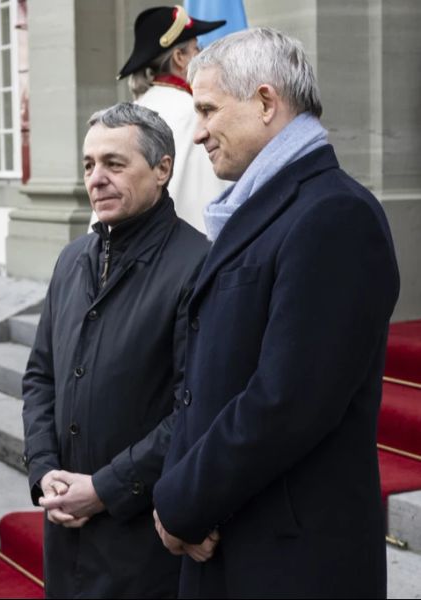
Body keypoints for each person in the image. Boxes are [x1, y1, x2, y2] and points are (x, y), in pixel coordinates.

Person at [151, 28, 400, 598]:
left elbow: (286, 402)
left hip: (290, 561)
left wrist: (181, 501)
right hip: (237, 538)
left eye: (208, 110)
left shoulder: (335, 215)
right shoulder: (263, 205)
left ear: (266, 102)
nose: (197, 134)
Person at [22, 102, 212, 598]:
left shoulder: (199, 266)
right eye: (88, 165)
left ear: (163, 169)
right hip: (65, 529)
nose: (97, 178)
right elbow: (41, 376)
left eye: (114, 163)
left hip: (142, 538)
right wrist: (44, 473)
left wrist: (104, 490)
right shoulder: (71, 260)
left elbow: (195, 407)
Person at [110, 5, 230, 234]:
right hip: (192, 256)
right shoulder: (196, 113)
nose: (202, 55)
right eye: (197, 49)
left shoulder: (127, 113)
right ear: (179, 58)